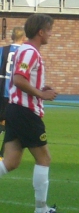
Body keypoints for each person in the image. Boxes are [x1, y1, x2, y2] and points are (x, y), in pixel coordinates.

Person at [0, 14, 58, 213]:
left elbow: (23, 79)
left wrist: (40, 87)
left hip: (16, 110)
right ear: (41, 32)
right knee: (44, 159)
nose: (51, 33)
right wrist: (41, 93)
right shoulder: (30, 51)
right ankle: (41, 209)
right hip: (26, 112)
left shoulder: (26, 50)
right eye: (49, 30)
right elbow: (19, 79)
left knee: (10, 162)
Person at [0, 27, 27, 159]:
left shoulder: (2, 50)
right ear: (23, 38)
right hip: (14, 93)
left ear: (11, 37)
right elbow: (24, 70)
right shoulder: (24, 53)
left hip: (1, 91)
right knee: (10, 124)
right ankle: (1, 154)